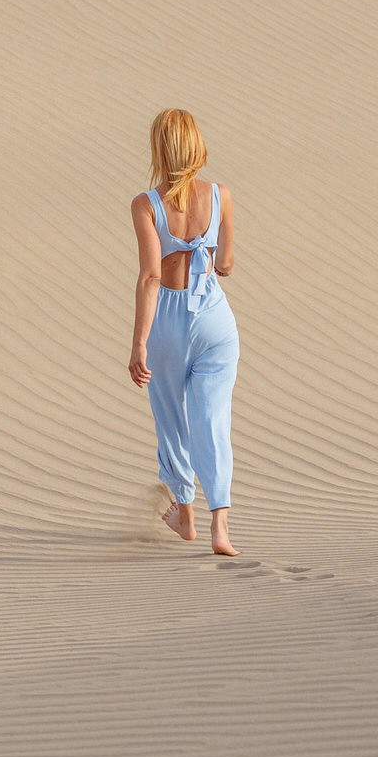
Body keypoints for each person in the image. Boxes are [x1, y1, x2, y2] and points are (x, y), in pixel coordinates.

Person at [128, 108, 241, 556]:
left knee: (172, 418)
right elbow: (227, 265)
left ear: (160, 149)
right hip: (214, 318)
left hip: (168, 323)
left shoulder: (146, 204)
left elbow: (150, 277)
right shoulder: (221, 195)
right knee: (213, 420)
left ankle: (185, 514)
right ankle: (221, 526)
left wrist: (138, 343)